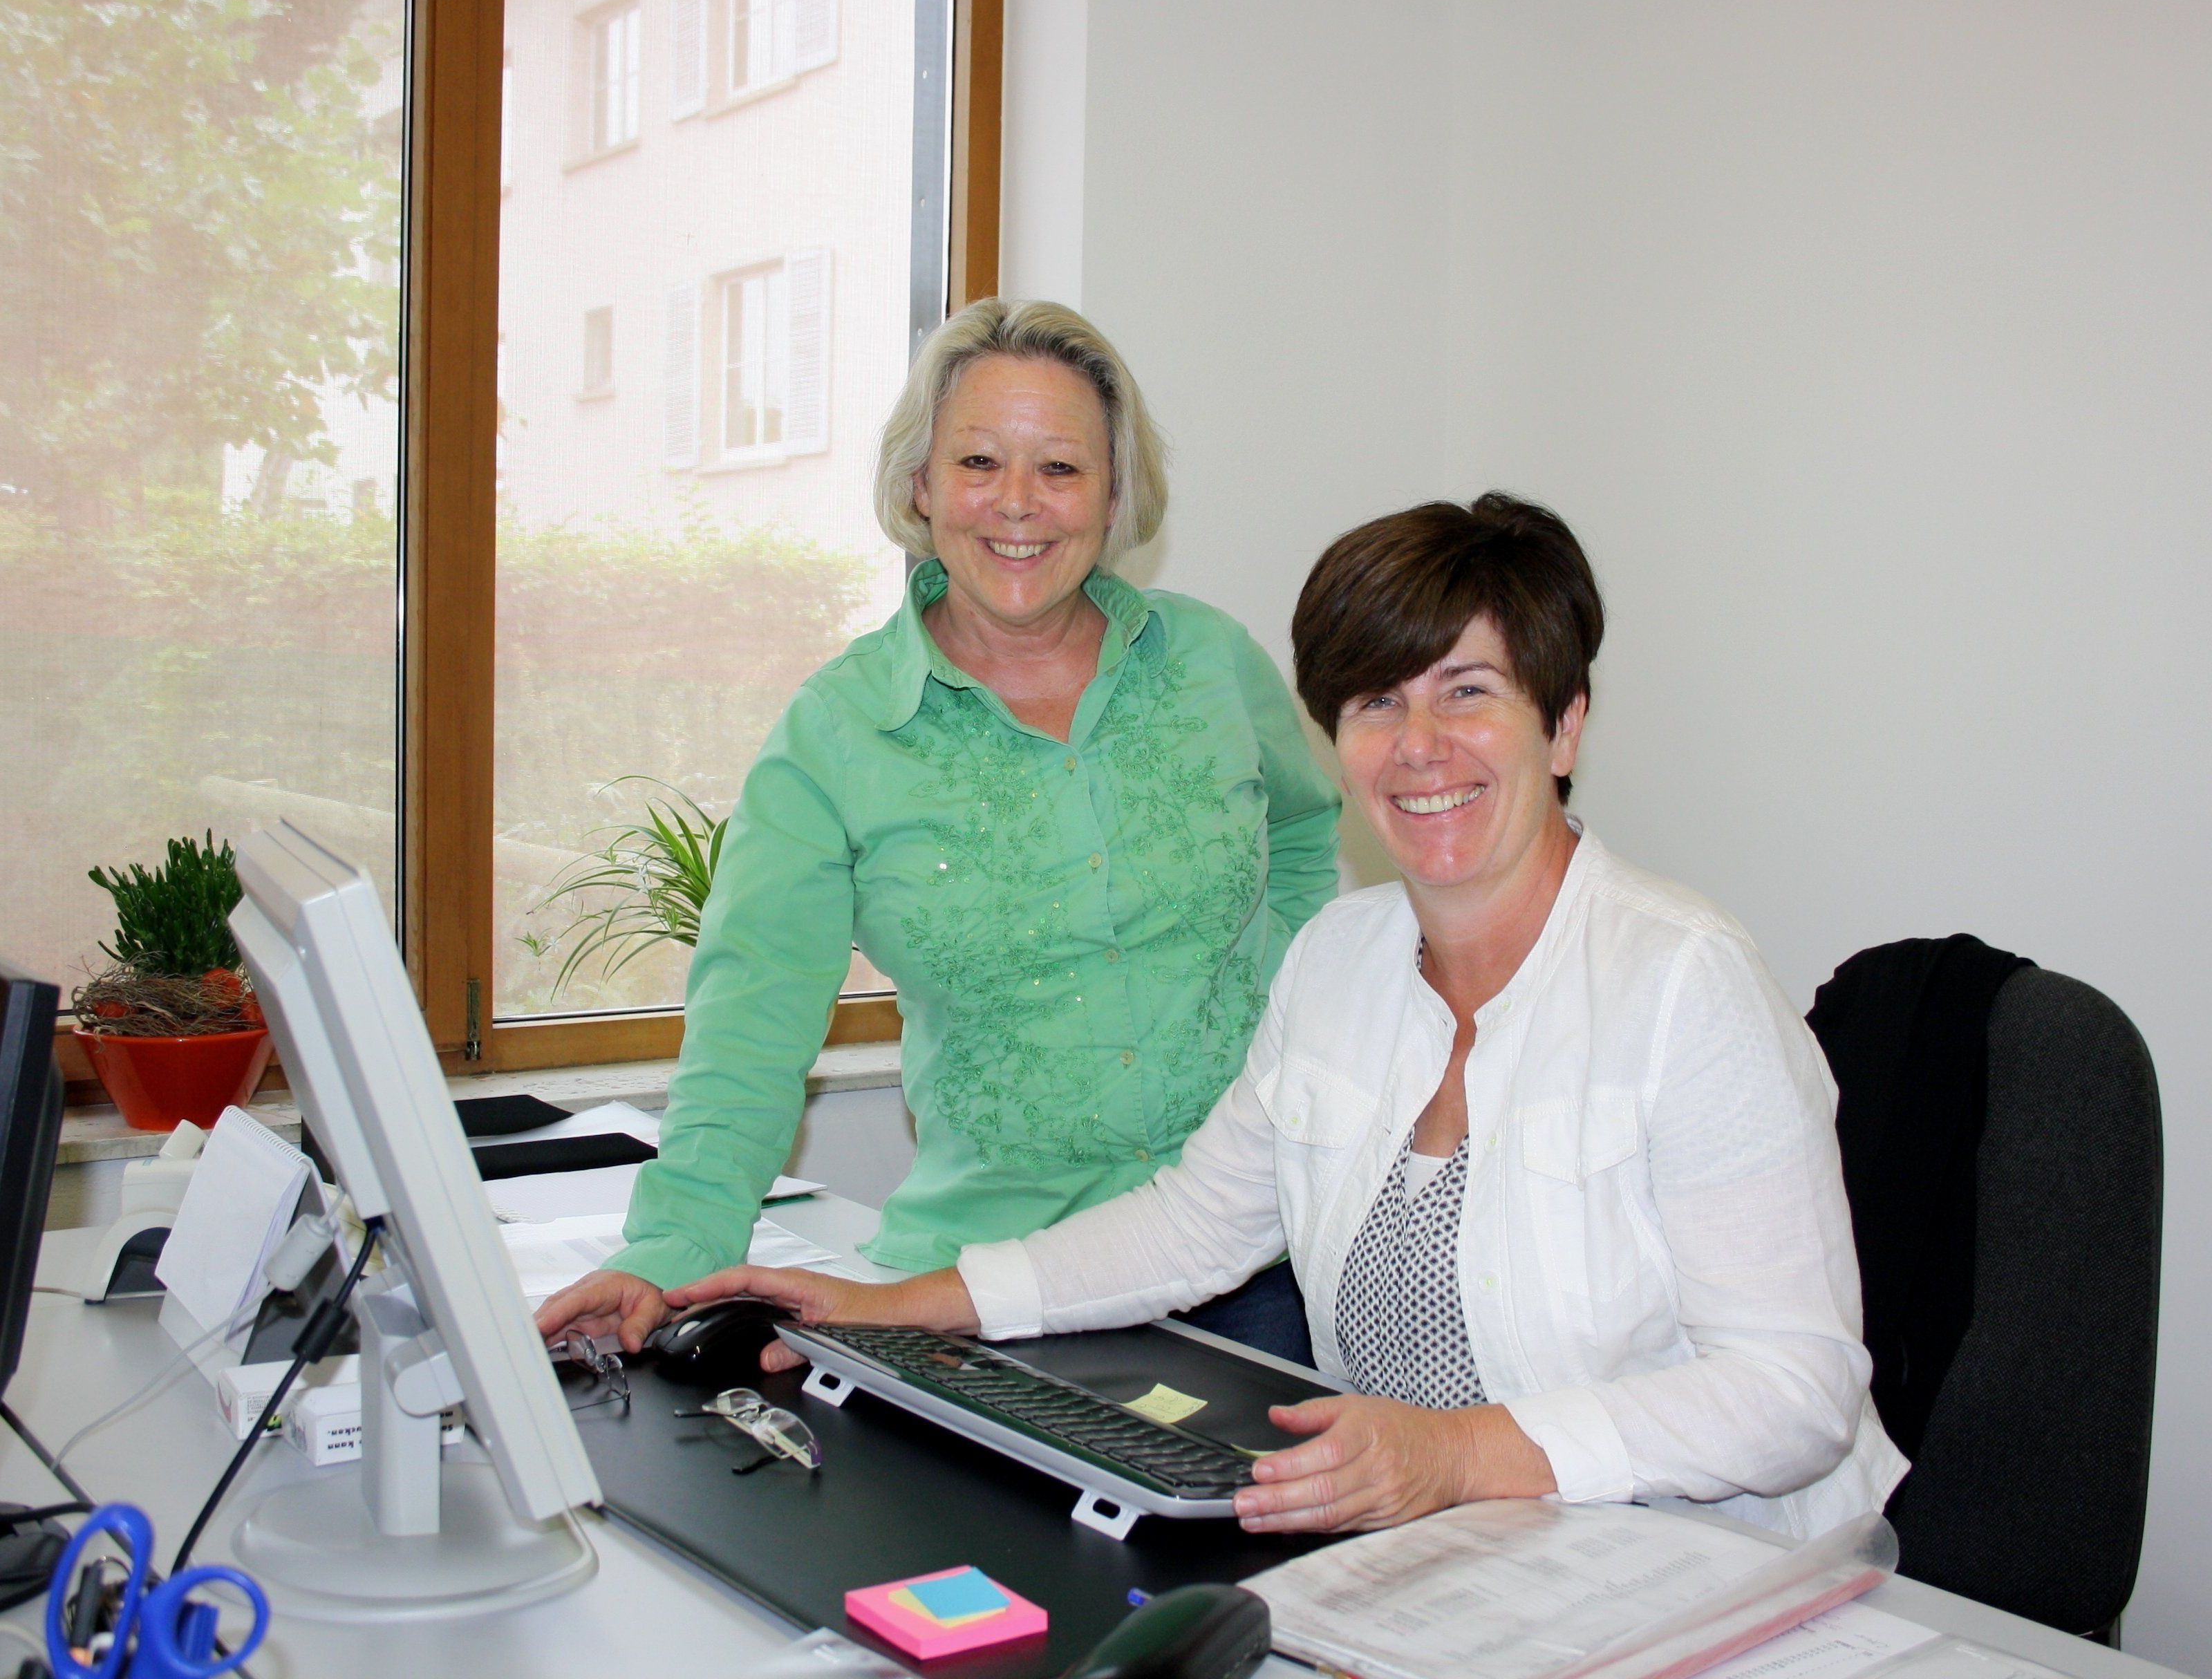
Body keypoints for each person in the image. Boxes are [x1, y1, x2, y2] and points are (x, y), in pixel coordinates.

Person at [671, 494, 1909, 1541]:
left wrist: (1462, 1457)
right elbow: (1195, 1229)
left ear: (1565, 721)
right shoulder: (1341, 962)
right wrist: (901, 1302)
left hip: (1698, 1579)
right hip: (1435, 1564)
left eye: (1467, 692)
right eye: (1374, 704)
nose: (1419, 747)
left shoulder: (1685, 985)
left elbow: (1796, 1394)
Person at [535, 299, 1340, 1362]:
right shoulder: (837, 734)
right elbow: (751, 1029)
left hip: (1262, 1270)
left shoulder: (1212, 665)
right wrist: (668, 1249)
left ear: (1114, 495)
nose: (1019, 505)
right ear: (919, 486)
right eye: (977, 461)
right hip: (988, 1297)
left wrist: (1278, 1014)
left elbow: (1307, 836)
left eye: (1061, 468)